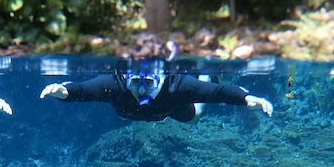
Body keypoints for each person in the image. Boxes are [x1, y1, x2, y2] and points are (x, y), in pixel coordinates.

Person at [39, 45, 273, 122]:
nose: (141, 90)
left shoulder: (179, 86)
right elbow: (83, 90)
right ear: (125, 77)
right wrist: (62, 90)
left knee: (195, 116)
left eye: (149, 81)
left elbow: (220, 93)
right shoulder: (113, 85)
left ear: (162, 77)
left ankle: (205, 73)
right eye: (135, 82)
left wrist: (246, 99)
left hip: (172, 108)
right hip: (157, 110)